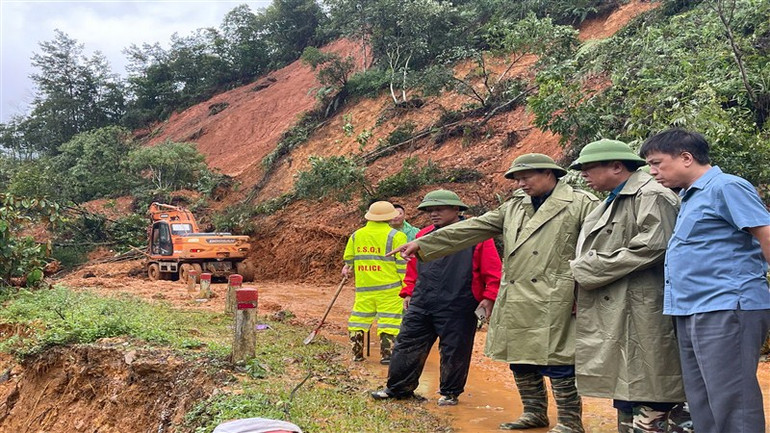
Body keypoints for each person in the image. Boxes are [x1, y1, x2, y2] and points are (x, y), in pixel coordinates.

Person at [389, 154, 599, 433]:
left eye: (526, 177)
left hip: (559, 294)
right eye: (517, 179)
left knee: (559, 359)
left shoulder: (582, 204)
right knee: (520, 357)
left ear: (549, 173)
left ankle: (570, 422)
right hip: (518, 294)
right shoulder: (514, 206)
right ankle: (534, 413)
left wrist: (583, 290)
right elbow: (474, 227)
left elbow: (596, 250)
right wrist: (424, 243)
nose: (521, 184)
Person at [639, 128, 770, 433]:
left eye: (657, 163)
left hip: (726, 305)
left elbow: (765, 233)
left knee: (732, 400)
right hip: (691, 308)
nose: (652, 171)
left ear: (686, 157)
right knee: (702, 401)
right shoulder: (689, 196)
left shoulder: (727, 187)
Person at [568, 139, 690, 433]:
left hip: (644, 305)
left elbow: (655, 245)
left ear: (616, 166)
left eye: (588, 167)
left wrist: (591, 268)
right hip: (621, 304)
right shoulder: (613, 199)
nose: (583, 174)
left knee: (652, 387)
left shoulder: (651, 195)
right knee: (627, 386)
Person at [371, 190, 501, 406]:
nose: (433, 214)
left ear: (456, 209)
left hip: (459, 302)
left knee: (455, 349)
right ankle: (398, 389)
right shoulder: (423, 235)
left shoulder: (476, 236)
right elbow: (413, 268)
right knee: (407, 343)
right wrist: (408, 291)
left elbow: (493, 269)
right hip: (423, 300)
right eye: (429, 210)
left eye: (439, 209)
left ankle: (450, 393)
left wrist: (489, 297)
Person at [342, 201, 408, 364]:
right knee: (389, 321)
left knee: (359, 319)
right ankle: (387, 356)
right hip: (390, 289)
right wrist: (407, 288)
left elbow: (349, 259)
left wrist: (349, 267)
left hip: (364, 288)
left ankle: (357, 354)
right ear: (390, 217)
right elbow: (402, 265)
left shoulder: (356, 235)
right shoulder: (397, 236)